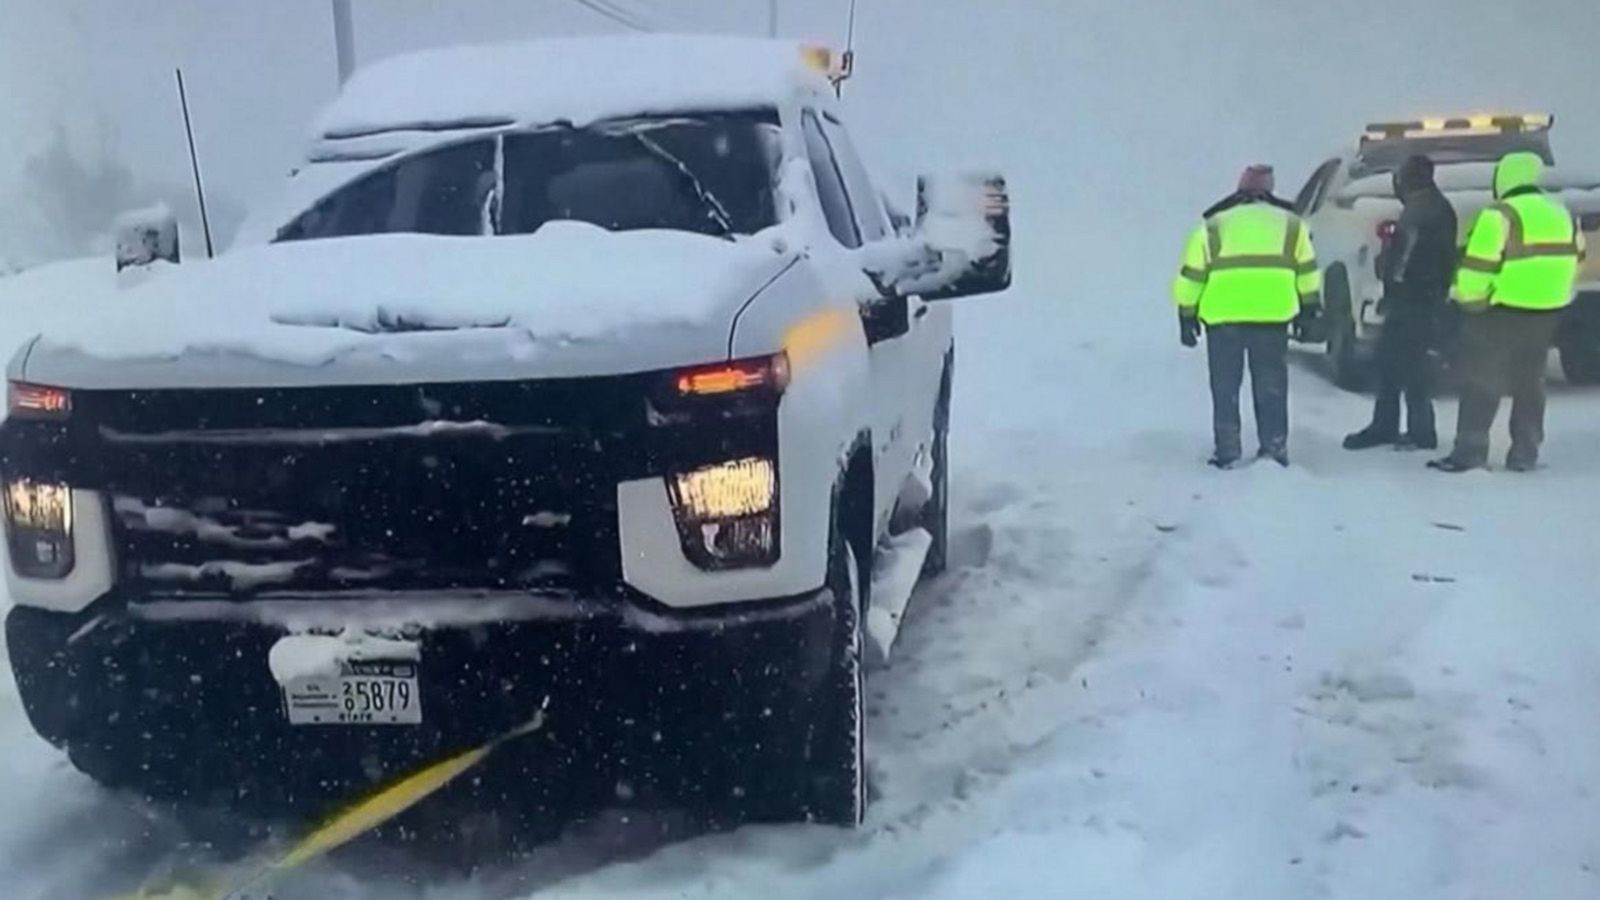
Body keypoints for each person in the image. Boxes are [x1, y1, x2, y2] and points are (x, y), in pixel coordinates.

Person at [1429, 151, 1587, 473]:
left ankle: (1470, 451)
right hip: (1547, 312)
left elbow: (1477, 268)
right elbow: (1578, 256)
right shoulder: (1560, 212)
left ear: (1503, 178)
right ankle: (1525, 452)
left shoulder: (1500, 215)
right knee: (1530, 383)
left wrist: (1468, 302)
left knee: (1482, 380)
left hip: (1501, 312)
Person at [1174, 165, 1322, 468]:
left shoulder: (1214, 225)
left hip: (1223, 317)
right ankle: (1274, 447)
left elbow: (1193, 274)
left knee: (1225, 386)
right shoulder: (1292, 225)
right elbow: (1306, 271)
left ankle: (1227, 449)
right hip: (1272, 316)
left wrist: (1186, 313)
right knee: (1271, 385)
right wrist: (1309, 309)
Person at [1343, 155, 1458, 451]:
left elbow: (1403, 258)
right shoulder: (1436, 206)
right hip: (1425, 296)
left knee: (1407, 364)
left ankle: (1412, 429)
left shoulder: (1420, 210)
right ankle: (1393, 425)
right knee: (1396, 362)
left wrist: (1389, 277)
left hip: (1413, 299)